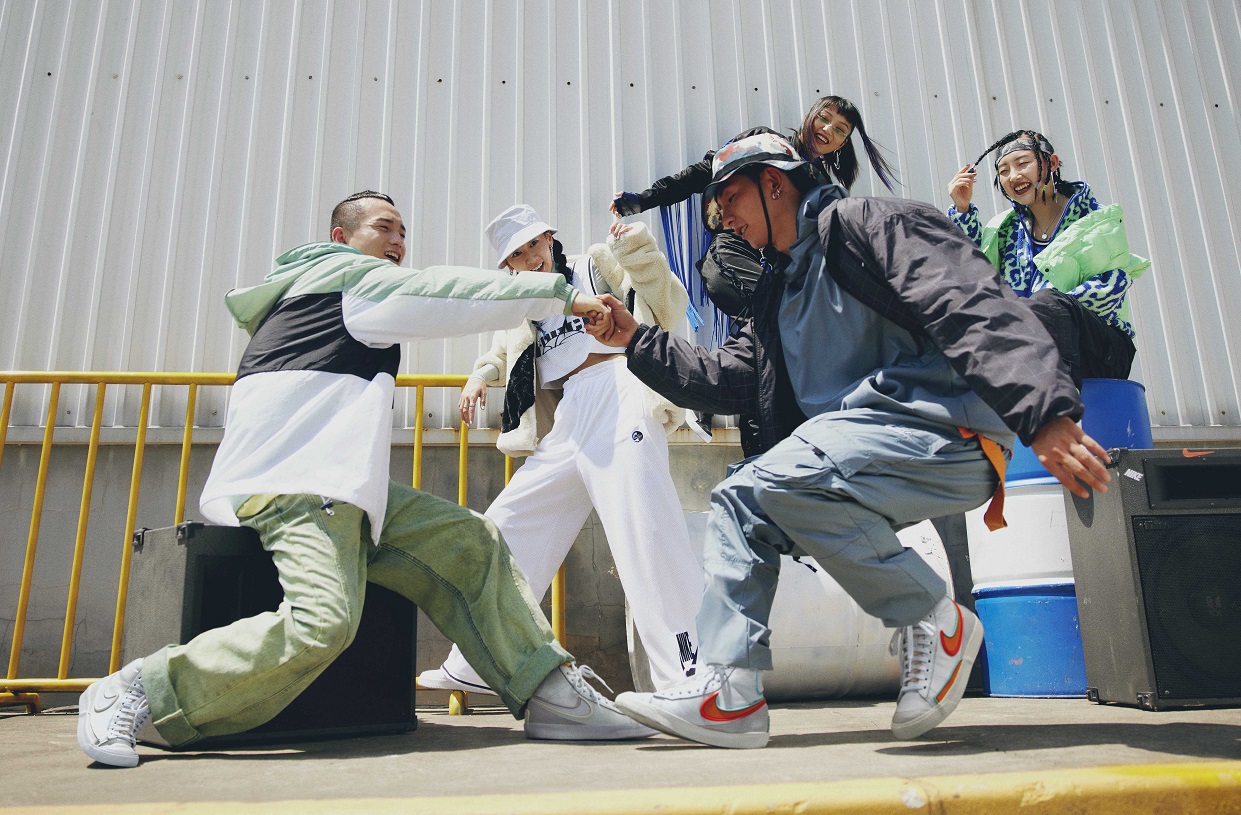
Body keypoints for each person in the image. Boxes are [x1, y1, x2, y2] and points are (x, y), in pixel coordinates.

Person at [76, 191, 654, 768]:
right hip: (296, 486)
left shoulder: (325, 291)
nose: (398, 242)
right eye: (384, 228)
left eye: (402, 232)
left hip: (347, 490)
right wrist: (564, 295)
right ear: (341, 239)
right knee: (323, 624)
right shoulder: (347, 281)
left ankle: (551, 696)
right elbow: (451, 291)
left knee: (472, 541)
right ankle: (137, 689)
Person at [587, 133, 1112, 749]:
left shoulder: (869, 225)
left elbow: (971, 301)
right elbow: (734, 378)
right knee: (740, 501)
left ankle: (931, 619)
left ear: (774, 184)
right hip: (856, 447)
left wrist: (1042, 412)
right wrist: (636, 340)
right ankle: (730, 694)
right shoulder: (778, 290)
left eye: (730, 199)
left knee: (773, 480)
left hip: (949, 429)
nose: (722, 217)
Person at [417, 204, 703, 696]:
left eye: (535, 244)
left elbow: (665, 302)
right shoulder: (523, 304)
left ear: (549, 238)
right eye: (518, 254)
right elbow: (503, 354)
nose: (531, 257)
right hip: (571, 413)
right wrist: (478, 376)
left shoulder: (594, 265)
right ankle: (479, 661)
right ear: (509, 265)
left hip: (621, 390)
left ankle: (690, 676)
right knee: (508, 524)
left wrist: (636, 249)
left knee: (645, 529)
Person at [610, 96, 898, 320]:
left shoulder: (823, 189)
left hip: (784, 266)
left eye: (839, 129)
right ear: (809, 116)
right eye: (824, 118)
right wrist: (644, 199)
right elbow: (705, 172)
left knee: (790, 311)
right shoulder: (763, 142)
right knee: (748, 296)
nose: (827, 129)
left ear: (842, 143)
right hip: (737, 245)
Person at [946, 130, 1149, 387]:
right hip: (1027, 348)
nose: (1014, 176)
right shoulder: (1004, 229)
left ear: (1051, 163)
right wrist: (962, 209)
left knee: (1048, 303)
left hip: (1101, 350)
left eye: (1022, 163)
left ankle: (1056, 404)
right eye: (1004, 171)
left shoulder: (1096, 220)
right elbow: (968, 272)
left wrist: (1024, 319)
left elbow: (1109, 288)